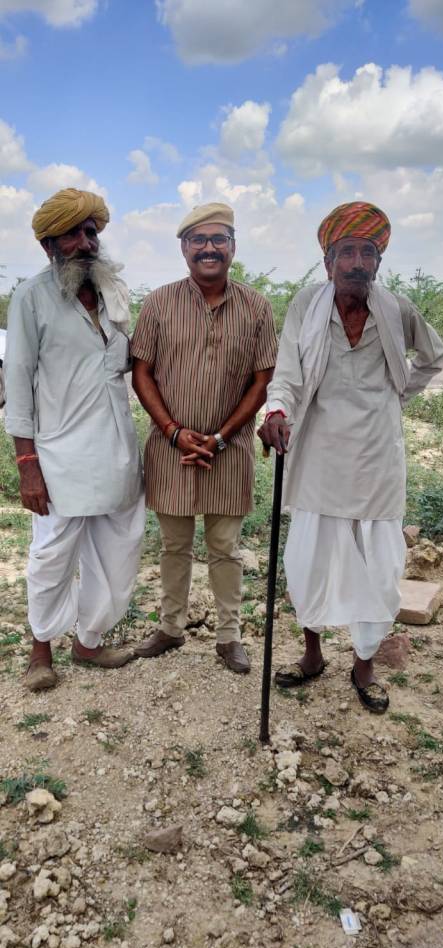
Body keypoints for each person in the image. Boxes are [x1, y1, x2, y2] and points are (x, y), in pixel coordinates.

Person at [259, 201, 443, 713]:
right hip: (318, 448)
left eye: (368, 252)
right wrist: (278, 409)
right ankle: (314, 653)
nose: (357, 262)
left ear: (379, 263)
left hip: (378, 454)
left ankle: (363, 664)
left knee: (378, 565)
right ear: (327, 261)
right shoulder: (306, 305)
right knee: (310, 561)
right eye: (347, 252)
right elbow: (289, 372)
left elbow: (434, 357)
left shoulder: (398, 308)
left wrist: (398, 395)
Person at [4, 187, 145, 692]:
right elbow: (18, 383)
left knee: (119, 550)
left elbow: (133, 367)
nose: (87, 242)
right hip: (59, 454)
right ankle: (41, 649)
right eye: (74, 233)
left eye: (92, 232)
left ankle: (88, 641)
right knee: (52, 556)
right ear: (49, 245)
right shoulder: (31, 298)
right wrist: (27, 463)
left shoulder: (114, 292)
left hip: (118, 451)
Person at [131, 202, 277, 674]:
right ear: (184, 248)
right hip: (169, 449)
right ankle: (170, 628)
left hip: (228, 452)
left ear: (233, 247)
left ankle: (228, 636)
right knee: (173, 546)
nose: (209, 248)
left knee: (226, 548)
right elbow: (142, 372)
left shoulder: (256, 306)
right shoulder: (158, 302)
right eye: (199, 240)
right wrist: (174, 432)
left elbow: (262, 379)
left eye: (219, 239)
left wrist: (219, 435)